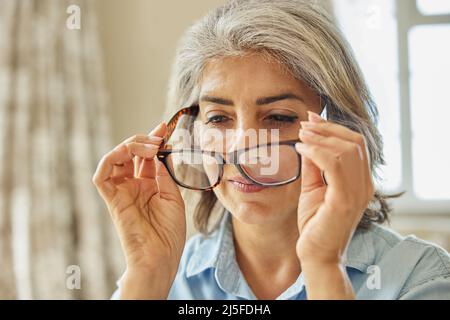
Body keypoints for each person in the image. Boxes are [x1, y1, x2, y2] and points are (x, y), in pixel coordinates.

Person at [93, 0, 450, 299]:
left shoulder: (418, 277)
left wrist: (325, 265)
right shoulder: (167, 278)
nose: (244, 148)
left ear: (342, 130)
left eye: (278, 116)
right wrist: (147, 274)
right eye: (218, 119)